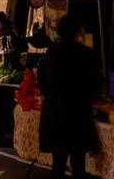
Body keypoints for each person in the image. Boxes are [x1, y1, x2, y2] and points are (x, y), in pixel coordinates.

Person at [38, 15, 99, 179]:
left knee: (58, 164)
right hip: (78, 114)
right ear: (77, 32)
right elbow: (93, 84)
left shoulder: (49, 55)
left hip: (54, 113)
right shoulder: (85, 54)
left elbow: (42, 85)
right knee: (78, 164)